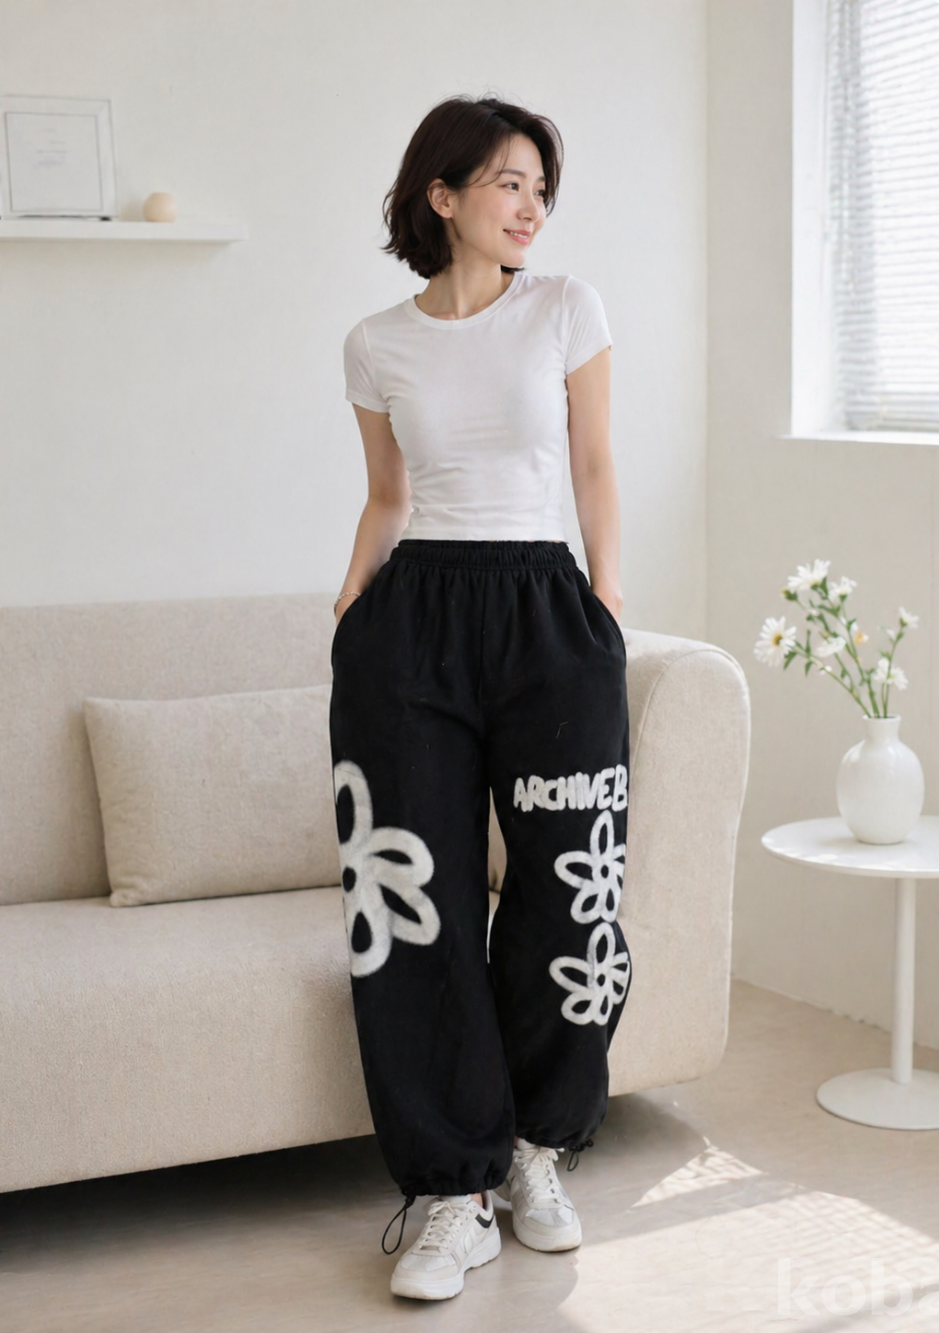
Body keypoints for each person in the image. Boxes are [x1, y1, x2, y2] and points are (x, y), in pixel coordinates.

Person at [329, 94, 631, 1302]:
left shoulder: (564, 308)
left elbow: (595, 466)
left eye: (540, 188)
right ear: (442, 194)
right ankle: (449, 1189)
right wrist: (349, 609)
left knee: (570, 890)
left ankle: (531, 1148)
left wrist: (605, 609)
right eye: (508, 182)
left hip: (545, 611)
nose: (530, 207)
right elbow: (389, 495)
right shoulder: (374, 343)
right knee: (415, 905)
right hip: (411, 625)